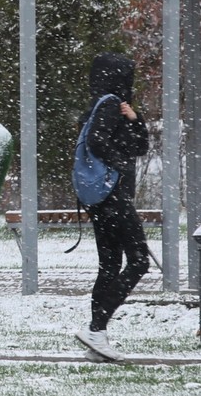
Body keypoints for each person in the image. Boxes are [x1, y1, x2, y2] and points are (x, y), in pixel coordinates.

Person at [74, 52, 150, 362]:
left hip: (102, 199)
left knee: (109, 266)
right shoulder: (109, 105)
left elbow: (141, 147)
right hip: (113, 197)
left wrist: (136, 120)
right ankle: (96, 328)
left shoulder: (103, 104)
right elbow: (96, 142)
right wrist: (119, 170)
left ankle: (97, 340)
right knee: (139, 261)